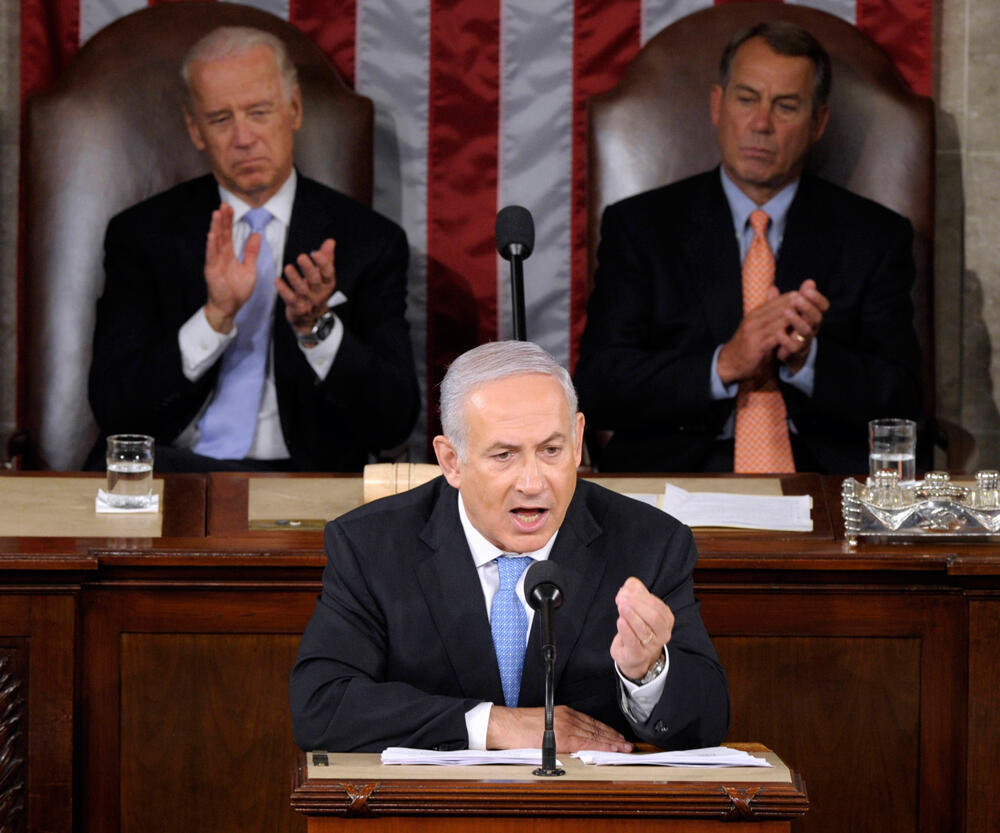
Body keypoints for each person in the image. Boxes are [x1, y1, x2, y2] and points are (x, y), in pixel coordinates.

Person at [291, 340, 728, 753]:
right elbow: (321, 706)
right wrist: (494, 724)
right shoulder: (372, 547)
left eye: (552, 450)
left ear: (578, 441)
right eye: (504, 456)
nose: (533, 483)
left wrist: (647, 673)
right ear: (451, 461)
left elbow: (708, 722)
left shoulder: (650, 545)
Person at [574, 21, 922, 475]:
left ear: (818, 123)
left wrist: (808, 361)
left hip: (823, 481)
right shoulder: (640, 227)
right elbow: (599, 389)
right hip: (678, 477)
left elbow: (905, 402)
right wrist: (724, 364)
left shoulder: (875, 236)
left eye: (786, 106)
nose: (761, 124)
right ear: (718, 106)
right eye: (746, 99)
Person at [88, 26, 419, 472]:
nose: (243, 138)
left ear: (294, 109)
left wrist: (316, 328)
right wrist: (214, 318)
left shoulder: (369, 242)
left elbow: (394, 421)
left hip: (305, 483)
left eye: (259, 112)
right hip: (176, 472)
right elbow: (115, 410)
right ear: (195, 128)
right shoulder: (143, 235)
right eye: (221, 119)